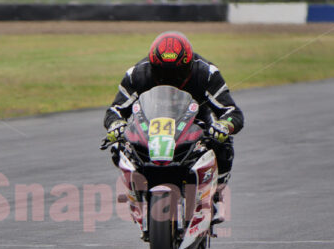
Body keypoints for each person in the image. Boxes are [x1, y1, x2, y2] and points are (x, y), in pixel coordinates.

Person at [102, 31, 244, 223]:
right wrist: (116, 125)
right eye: (161, 72)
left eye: (177, 73)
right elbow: (115, 110)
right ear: (153, 66)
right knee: (119, 146)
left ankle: (216, 196)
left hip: (195, 126)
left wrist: (224, 126)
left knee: (223, 144)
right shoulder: (137, 74)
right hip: (149, 126)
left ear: (189, 65)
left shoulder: (207, 73)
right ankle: (135, 194)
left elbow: (232, 112)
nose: (170, 77)